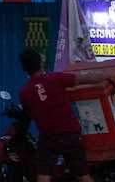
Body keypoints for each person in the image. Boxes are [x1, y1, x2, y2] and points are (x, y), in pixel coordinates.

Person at [18, 49, 92, 182]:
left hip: (49, 138)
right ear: (41, 63)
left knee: (44, 176)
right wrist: (107, 76)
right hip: (72, 134)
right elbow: (83, 79)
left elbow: (28, 113)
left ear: (23, 68)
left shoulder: (24, 92)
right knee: (83, 175)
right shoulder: (56, 78)